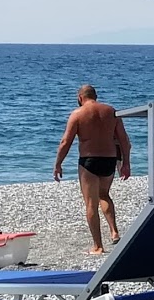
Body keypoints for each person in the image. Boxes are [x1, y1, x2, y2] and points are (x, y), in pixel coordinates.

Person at [54, 84, 132, 254]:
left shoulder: (77, 114)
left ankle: (98, 246)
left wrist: (58, 164)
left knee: (91, 204)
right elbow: (124, 140)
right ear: (95, 96)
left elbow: (65, 142)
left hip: (89, 161)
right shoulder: (111, 111)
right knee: (104, 194)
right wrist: (126, 163)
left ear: (80, 98)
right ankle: (114, 232)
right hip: (109, 160)